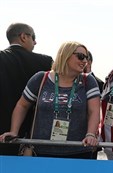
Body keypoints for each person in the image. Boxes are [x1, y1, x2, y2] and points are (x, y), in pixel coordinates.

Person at [0, 41, 101, 159]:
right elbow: (22, 105)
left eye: (87, 57)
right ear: (65, 55)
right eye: (81, 56)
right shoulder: (41, 78)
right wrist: (14, 131)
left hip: (78, 151)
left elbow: (94, 111)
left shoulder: (88, 81)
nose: (85, 61)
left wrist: (90, 134)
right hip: (41, 151)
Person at [0, 22, 53, 155]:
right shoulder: (45, 62)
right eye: (33, 37)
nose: (35, 42)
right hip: (32, 136)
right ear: (23, 36)